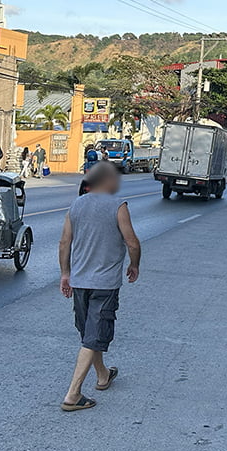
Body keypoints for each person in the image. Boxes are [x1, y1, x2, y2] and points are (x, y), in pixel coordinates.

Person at [58, 162, 141, 412]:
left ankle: (103, 375)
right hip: (104, 284)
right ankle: (73, 394)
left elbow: (64, 243)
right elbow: (132, 242)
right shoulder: (118, 206)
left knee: (88, 334)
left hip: (80, 282)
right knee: (93, 336)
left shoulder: (76, 205)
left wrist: (65, 274)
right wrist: (134, 264)